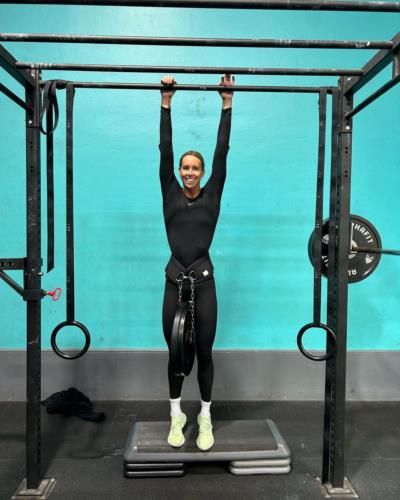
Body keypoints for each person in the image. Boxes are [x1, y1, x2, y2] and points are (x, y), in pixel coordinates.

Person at [159, 74, 234, 451]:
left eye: (195, 168)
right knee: (175, 354)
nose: (188, 172)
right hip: (175, 281)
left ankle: (205, 417)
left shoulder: (212, 195)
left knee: (204, 352)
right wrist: (166, 102)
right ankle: (177, 416)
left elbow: (222, 151)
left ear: (203, 174)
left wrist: (226, 103)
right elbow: (165, 150)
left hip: (203, 284)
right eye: (185, 168)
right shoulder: (169, 192)